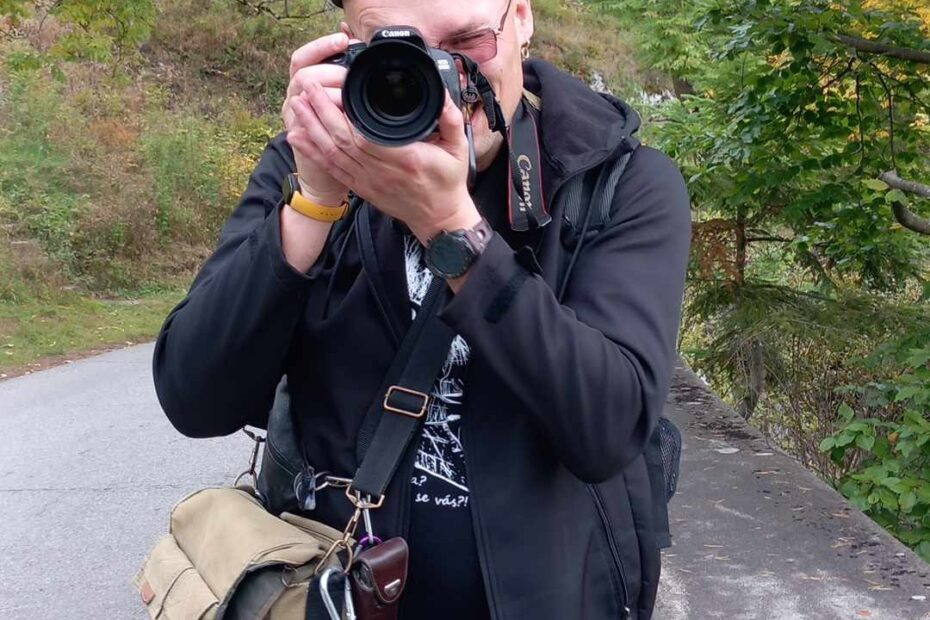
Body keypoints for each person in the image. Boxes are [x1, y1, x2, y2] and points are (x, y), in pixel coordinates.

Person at [151, 0, 691, 617]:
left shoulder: (617, 183)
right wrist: (314, 205)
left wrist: (451, 228)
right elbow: (196, 398)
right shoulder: (310, 163)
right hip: (335, 587)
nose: (444, 79)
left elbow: (609, 428)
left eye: (467, 42)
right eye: (401, 50)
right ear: (350, 42)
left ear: (520, 18)